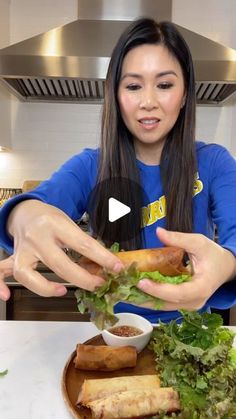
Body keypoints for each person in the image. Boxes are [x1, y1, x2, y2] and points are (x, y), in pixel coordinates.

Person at [0, 18, 235, 323]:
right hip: (112, 335)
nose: (148, 102)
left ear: (186, 93)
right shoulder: (91, 166)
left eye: (164, 85)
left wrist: (228, 265)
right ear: (115, 94)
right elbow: (35, 206)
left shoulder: (215, 163)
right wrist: (24, 216)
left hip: (189, 334)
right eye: (133, 86)